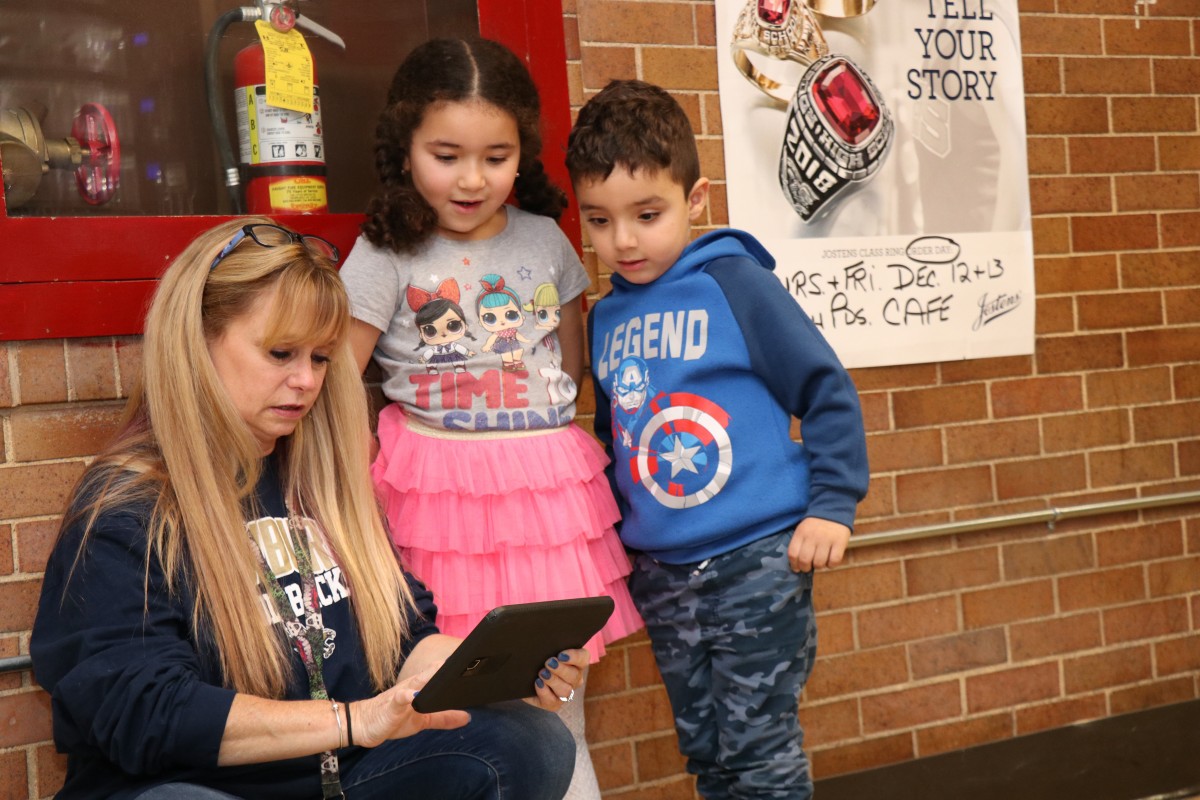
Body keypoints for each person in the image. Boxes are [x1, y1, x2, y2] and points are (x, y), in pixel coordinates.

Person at [30, 217, 584, 800]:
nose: (304, 380)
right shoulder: (126, 507)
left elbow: (402, 642)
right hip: (198, 788)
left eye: (320, 358)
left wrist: (510, 670)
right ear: (197, 343)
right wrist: (353, 721)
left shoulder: (321, 483)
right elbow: (145, 712)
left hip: (339, 780)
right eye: (280, 352)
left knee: (528, 738)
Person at [339, 38, 643, 800]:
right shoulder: (384, 252)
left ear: (522, 155)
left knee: (559, 697)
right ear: (405, 147)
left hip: (544, 499)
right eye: (447, 154)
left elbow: (570, 358)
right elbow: (341, 378)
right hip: (442, 499)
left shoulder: (545, 238)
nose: (473, 179)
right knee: (457, 702)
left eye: (496, 156)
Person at [567, 79, 870, 799]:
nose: (624, 241)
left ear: (695, 200)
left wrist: (832, 505)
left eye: (647, 214)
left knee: (760, 753)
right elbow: (619, 437)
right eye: (600, 221)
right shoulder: (606, 318)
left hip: (757, 565)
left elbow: (824, 388)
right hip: (666, 576)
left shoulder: (736, 283)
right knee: (705, 752)